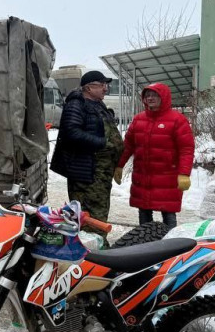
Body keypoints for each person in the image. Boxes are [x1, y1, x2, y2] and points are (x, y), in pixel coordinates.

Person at [115, 83, 194, 229]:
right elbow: (128, 146)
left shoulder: (177, 120)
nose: (150, 98)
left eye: (155, 95)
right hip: (142, 176)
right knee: (144, 211)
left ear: (164, 97)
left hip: (167, 177)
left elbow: (186, 149)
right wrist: (119, 165)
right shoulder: (138, 119)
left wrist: (184, 174)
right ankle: (145, 239)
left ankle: (171, 239)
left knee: (168, 212)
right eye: (147, 96)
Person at [50, 70, 123, 221]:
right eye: (102, 85)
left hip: (101, 173)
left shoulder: (98, 104)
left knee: (99, 212)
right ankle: (89, 236)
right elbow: (71, 133)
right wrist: (102, 143)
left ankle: (97, 235)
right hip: (87, 174)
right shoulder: (76, 104)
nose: (105, 89)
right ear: (89, 88)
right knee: (88, 215)